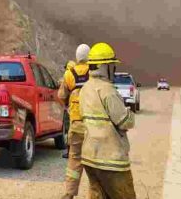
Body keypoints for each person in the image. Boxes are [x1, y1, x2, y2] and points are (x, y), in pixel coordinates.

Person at [79, 42, 136, 199]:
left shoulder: (84, 90)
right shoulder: (108, 91)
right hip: (111, 160)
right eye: (112, 65)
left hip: (90, 157)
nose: (114, 69)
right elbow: (125, 121)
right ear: (105, 67)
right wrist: (130, 115)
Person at [58, 44, 91, 199]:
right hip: (93, 124)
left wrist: (68, 105)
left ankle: (69, 194)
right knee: (95, 161)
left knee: (74, 160)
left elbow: (61, 95)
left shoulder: (69, 74)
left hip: (76, 123)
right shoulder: (94, 72)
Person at [61, 60, 77, 159]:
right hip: (81, 107)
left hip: (69, 107)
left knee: (68, 130)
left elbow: (62, 94)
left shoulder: (67, 75)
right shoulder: (80, 75)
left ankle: (69, 152)